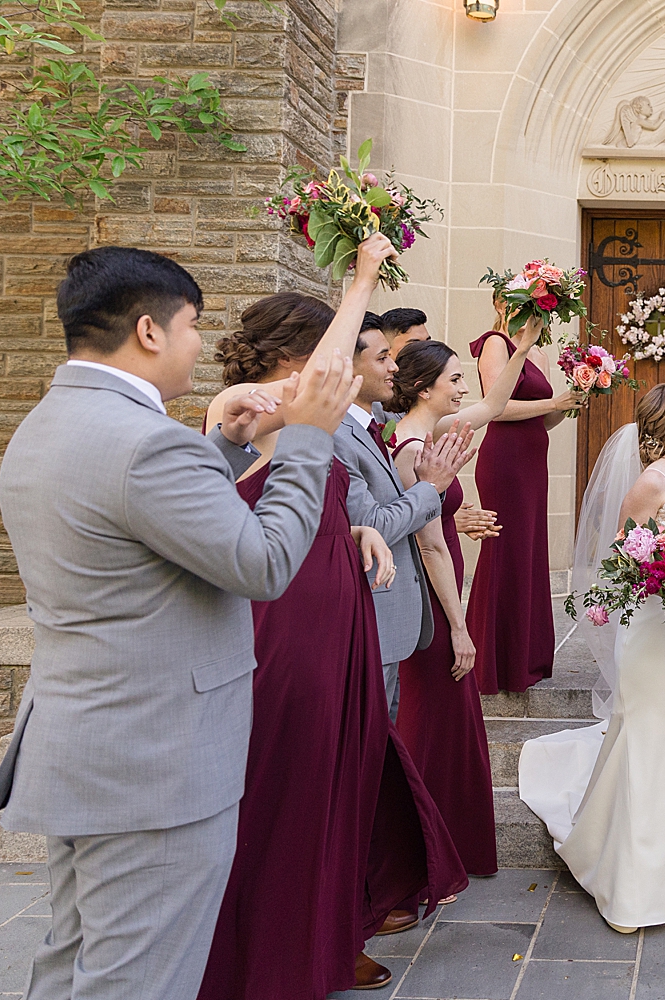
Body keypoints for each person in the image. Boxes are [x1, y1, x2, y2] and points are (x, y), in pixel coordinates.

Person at [0, 246, 354, 1000]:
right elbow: (263, 564)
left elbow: (139, 524)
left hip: (87, 747)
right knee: (137, 982)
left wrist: (224, 445)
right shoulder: (146, 442)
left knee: (75, 962)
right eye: (194, 325)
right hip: (156, 765)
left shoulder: (51, 422)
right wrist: (310, 436)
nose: (200, 343)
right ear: (150, 330)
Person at [198, 237, 468, 998]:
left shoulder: (302, 417)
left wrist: (353, 528)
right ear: (303, 359)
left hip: (336, 610)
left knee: (337, 783)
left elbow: (304, 499)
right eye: (345, 354)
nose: (353, 369)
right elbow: (250, 503)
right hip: (291, 628)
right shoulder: (247, 410)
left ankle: (325, 933)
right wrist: (363, 279)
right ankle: (279, 949)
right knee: (296, 789)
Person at [519, 383, 665, 933]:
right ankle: (633, 889)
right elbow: (622, 555)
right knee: (647, 739)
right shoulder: (652, 481)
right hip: (653, 631)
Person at [391, 322, 545, 878]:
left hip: (447, 574)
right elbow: (428, 546)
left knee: (451, 722)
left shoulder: (437, 432)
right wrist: (459, 625)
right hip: (433, 597)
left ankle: (450, 845)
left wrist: (522, 346)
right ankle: (422, 850)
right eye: (455, 378)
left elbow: (496, 404)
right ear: (424, 387)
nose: (463, 387)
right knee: (430, 719)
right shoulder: (409, 448)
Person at [337, 316, 472, 728]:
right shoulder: (340, 435)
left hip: (398, 615)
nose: (395, 367)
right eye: (383, 358)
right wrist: (431, 488)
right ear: (350, 366)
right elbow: (373, 524)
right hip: (374, 612)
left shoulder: (371, 425)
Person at [466, 301, 582, 695]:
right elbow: (495, 410)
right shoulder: (496, 343)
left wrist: (568, 403)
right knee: (505, 549)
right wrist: (552, 402)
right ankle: (492, 663)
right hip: (505, 460)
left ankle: (525, 658)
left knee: (530, 552)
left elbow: (545, 418)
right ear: (503, 304)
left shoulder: (541, 354)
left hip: (535, 460)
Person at [361, 310, 500, 544]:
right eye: (413, 344)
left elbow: (491, 407)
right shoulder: (380, 416)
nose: (425, 350)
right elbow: (386, 508)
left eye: (428, 342)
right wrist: (443, 520)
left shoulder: (426, 423)